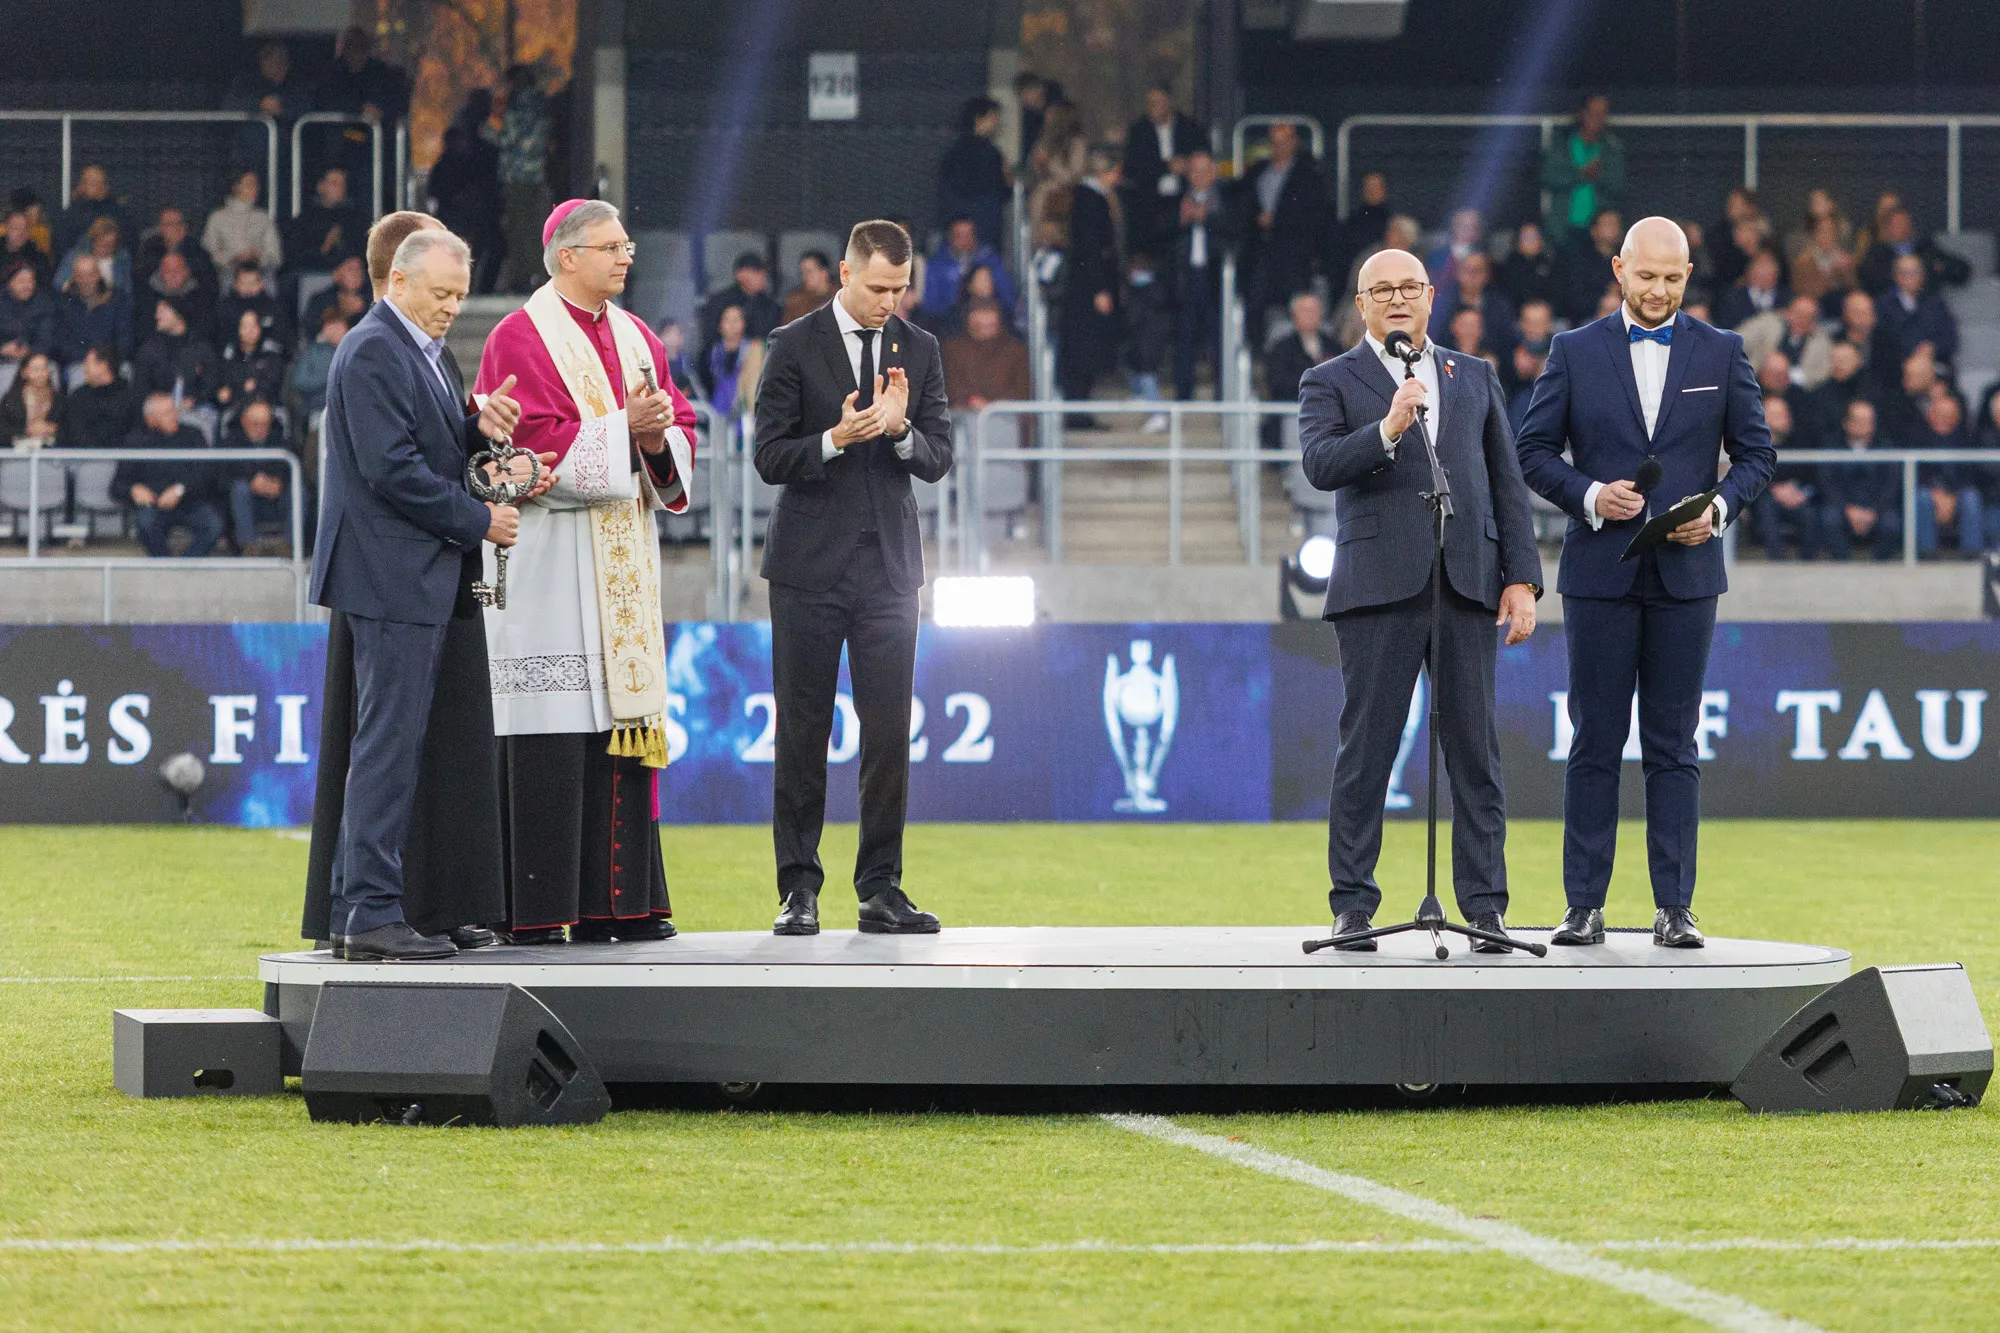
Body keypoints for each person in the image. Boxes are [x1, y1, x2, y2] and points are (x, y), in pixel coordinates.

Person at [1515, 217, 1776, 949]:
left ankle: (1675, 908)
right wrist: (1592, 495)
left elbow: (1757, 455)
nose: (1658, 290)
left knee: (1674, 742)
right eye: (1646, 275)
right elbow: (1532, 450)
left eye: (1672, 278)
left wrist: (1719, 507)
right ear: (1619, 268)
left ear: (1687, 276)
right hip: (1600, 575)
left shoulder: (1723, 352)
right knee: (1594, 739)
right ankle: (1584, 905)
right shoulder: (1573, 350)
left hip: (1689, 577)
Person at [1298, 247, 1543, 950]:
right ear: (1363, 301)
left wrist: (1521, 580)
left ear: (1432, 296)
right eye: (1383, 289)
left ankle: (1486, 907)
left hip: (1467, 581)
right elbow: (1320, 463)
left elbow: (1506, 484)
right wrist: (1388, 429)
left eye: (1410, 287)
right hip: (1378, 587)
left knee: (1475, 752)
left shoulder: (1474, 376)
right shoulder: (1330, 379)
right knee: (1367, 751)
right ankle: (1352, 904)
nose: (1398, 299)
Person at [474, 198, 696, 944]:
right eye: (610, 246)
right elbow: (525, 445)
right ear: (567, 256)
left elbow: (677, 424)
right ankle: (538, 911)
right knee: (552, 733)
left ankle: (619, 903)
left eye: (628, 244)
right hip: (551, 563)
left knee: (616, 727)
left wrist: (658, 437)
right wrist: (624, 431)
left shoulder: (637, 338)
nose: (626, 257)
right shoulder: (519, 335)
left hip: (623, 557)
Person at [301, 208, 523, 955]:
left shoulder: (423, 352)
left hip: (410, 575)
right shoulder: (371, 352)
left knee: (395, 747)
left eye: (460, 295)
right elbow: (389, 469)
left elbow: (422, 442)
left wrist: (475, 429)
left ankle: (361, 907)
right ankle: (369, 913)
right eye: (441, 294)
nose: (453, 308)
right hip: (391, 574)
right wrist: (477, 519)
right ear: (398, 278)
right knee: (387, 748)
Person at [752, 218, 953, 938]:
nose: (888, 302)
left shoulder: (920, 349)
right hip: (807, 571)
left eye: (900, 289)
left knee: (889, 735)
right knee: (803, 731)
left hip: (891, 574)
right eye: (877, 288)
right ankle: (798, 887)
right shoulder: (792, 345)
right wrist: (837, 438)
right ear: (844, 273)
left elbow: (938, 457)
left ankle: (880, 888)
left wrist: (898, 431)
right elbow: (769, 456)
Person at [1240, 122, 1334, 325]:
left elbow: (1315, 216)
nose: (1279, 148)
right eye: (1274, 143)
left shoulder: (1308, 175)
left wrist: (1278, 220)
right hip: (1261, 251)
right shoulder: (1259, 172)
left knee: (1295, 306)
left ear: (1293, 143)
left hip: (1294, 253)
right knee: (1255, 305)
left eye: (1283, 143)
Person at [1056, 145, 1123, 425]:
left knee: (1084, 350)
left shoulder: (1087, 199)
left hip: (1085, 287)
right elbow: (1091, 249)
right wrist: (1100, 288)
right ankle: (1078, 412)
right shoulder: (1091, 201)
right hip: (1088, 290)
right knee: (1084, 350)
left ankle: (1080, 409)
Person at [116, 391, 227, 557]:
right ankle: (164, 563)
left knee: (214, 524)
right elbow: (117, 485)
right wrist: (134, 489)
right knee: (145, 522)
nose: (174, 415)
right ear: (150, 419)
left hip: (190, 502)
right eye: (167, 413)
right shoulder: (136, 441)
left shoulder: (193, 435)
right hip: (154, 505)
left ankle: (183, 566)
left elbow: (206, 473)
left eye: (174, 410)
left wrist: (179, 490)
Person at [1171, 148, 1231, 402]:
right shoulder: (1176, 198)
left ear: (1214, 174)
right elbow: (1161, 233)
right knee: (1184, 338)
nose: (1199, 176)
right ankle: (1184, 395)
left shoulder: (1224, 199)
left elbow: (1233, 234)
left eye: (1205, 171)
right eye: (1194, 171)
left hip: (1213, 277)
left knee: (1218, 338)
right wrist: (1181, 219)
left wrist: (1206, 219)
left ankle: (1222, 396)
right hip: (1185, 278)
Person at [429, 92, 505, 292]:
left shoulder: (485, 152)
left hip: (480, 212)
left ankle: (479, 288)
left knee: (493, 246)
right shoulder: (452, 162)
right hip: (460, 215)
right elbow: (437, 190)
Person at [1120, 84, 1205, 255]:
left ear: (1169, 103)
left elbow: (1203, 157)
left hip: (1182, 199)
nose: (1153, 108)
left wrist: (1188, 166)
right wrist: (1166, 166)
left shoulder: (1189, 128)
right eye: (1150, 103)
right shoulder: (1139, 131)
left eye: (1157, 103)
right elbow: (1133, 168)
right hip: (1151, 203)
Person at [1817, 398, 1902, 562]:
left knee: (1892, 523)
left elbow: (1892, 484)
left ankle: (1879, 568)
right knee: (1829, 519)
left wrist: (1874, 510)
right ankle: (1844, 565)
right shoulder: (1832, 447)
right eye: (1858, 420)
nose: (1864, 425)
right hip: (1843, 506)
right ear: (1846, 423)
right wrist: (1848, 509)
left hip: (1877, 506)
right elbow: (1827, 483)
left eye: (1868, 421)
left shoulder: (1886, 448)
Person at [1541, 94, 1625, 250]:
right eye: (1593, 113)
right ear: (1581, 113)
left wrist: (1600, 175)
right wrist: (1580, 175)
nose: (1597, 118)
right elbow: (1547, 177)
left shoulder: (1612, 147)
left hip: (1599, 233)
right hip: (1564, 229)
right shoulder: (1562, 143)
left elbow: (1619, 185)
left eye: (1602, 114)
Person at [1748, 396, 1829, 560]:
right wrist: (1774, 490)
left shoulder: (1801, 442)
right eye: (1777, 415)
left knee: (1811, 515)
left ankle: (1807, 563)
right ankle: (1776, 562)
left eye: (1785, 415)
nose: (1785, 419)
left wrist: (1801, 493)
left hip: (1797, 497)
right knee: (1766, 508)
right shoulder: (1750, 445)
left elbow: (1814, 475)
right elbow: (1748, 478)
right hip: (1763, 499)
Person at [1912, 391, 1988, 558]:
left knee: (1971, 497)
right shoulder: (1917, 439)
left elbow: (1972, 474)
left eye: (1949, 415)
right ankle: (1927, 552)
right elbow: (1915, 474)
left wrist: (1952, 496)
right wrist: (1938, 495)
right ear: (1930, 415)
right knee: (1922, 497)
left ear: (1957, 417)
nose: (1944, 419)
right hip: (1930, 492)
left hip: (1958, 492)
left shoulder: (1968, 440)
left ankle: (1972, 553)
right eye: (1939, 414)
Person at [497, 64, 552, 293]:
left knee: (520, 225)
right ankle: (536, 272)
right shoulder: (541, 104)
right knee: (534, 221)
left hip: (517, 173)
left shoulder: (517, 106)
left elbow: (507, 137)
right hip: (536, 171)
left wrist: (489, 128)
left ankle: (528, 273)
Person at [222, 398, 301, 555]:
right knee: (240, 489)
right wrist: (251, 481)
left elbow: (291, 470)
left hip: (276, 502)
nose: (259, 428)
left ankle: (291, 545)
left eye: (264, 423)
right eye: (254, 423)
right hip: (244, 505)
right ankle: (248, 547)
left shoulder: (282, 442)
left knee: (299, 490)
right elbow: (221, 479)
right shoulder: (230, 443)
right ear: (244, 421)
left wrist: (278, 483)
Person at [936, 95, 1011, 249]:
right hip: (985, 225)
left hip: (955, 224)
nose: (997, 121)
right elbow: (1001, 190)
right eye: (992, 116)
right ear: (979, 118)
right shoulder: (990, 153)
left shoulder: (953, 152)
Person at [1856, 206, 1970, 297]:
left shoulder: (1925, 247)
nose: (1905, 228)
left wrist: (1940, 267)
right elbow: (1871, 279)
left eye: (1907, 223)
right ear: (1887, 228)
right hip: (1890, 309)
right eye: (1899, 224)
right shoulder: (1877, 253)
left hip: (1927, 305)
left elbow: (1961, 270)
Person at [942, 298, 1030, 412]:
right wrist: (970, 400)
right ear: (969, 319)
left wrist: (993, 405)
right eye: (980, 312)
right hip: (965, 415)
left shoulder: (1016, 351)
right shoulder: (952, 350)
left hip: (1007, 416)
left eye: (990, 312)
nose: (986, 320)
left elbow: (1022, 391)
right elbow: (951, 388)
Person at [922, 218, 1016, 324]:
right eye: (959, 236)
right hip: (949, 323)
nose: (964, 241)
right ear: (949, 237)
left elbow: (1008, 299)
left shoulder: (991, 260)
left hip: (990, 322)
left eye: (968, 235)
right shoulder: (936, 264)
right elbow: (930, 305)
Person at [1875, 253, 1959, 366]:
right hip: (1894, 367)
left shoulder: (1936, 304)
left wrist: (1933, 348)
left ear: (1922, 276)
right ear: (1895, 276)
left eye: (1914, 273)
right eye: (1903, 273)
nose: (1909, 278)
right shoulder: (1882, 305)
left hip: (1932, 364)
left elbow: (1950, 338)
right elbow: (1880, 342)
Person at [1428, 251, 1517, 356]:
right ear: (1458, 273)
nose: (1472, 276)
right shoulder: (1443, 302)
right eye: (1467, 270)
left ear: (1487, 274)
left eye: (1478, 270)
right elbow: (1434, 338)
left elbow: (1507, 341)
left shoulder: (1499, 306)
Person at [132, 297, 216, 404]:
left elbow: (210, 383)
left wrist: (195, 400)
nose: (157, 316)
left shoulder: (201, 347)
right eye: (157, 311)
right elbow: (140, 387)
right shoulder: (150, 348)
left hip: (194, 408)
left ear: (178, 313)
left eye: (162, 311)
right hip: (159, 409)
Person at [55, 254, 132, 372]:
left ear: (99, 275)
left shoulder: (118, 300)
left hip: (112, 362)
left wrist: (105, 361)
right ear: (73, 277)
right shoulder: (64, 303)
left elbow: (124, 338)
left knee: (126, 370)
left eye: (90, 275)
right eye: (80, 276)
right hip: (79, 363)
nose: (85, 281)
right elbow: (62, 343)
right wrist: (90, 361)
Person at [203, 171, 284, 280]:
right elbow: (208, 252)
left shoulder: (263, 218)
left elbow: (275, 256)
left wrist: (257, 258)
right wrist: (233, 258)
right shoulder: (217, 218)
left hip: (259, 273)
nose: (255, 188)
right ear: (236, 187)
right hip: (226, 273)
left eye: (256, 185)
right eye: (250, 184)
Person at [58, 344, 139, 449]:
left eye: (88, 363)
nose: (84, 367)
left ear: (103, 366)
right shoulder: (78, 397)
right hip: (82, 459)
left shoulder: (129, 397)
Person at [1328, 171, 1391, 301]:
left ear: (1384, 190)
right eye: (1369, 188)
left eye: (1376, 187)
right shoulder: (1351, 224)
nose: (1372, 191)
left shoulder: (1393, 224)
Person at [1263, 290, 1330, 408]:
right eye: (1305, 311)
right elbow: (1277, 383)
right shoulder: (1282, 348)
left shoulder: (1333, 345)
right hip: (1294, 410)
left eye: (1314, 310)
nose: (1310, 315)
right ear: (1294, 315)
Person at [216, 308, 289, 416]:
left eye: (253, 326)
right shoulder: (230, 353)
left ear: (259, 328)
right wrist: (241, 388)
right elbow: (225, 386)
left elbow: (272, 384)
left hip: (268, 407)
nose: (249, 331)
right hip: (236, 407)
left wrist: (243, 389)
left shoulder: (271, 352)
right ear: (238, 329)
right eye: (245, 326)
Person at [289, 169, 363, 273]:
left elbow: (362, 253)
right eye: (334, 183)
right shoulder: (305, 220)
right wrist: (326, 247)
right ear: (321, 187)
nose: (341, 187)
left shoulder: (356, 219)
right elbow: (296, 257)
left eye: (343, 183)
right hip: (317, 275)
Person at [1556, 207, 1623, 324]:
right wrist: (1605, 294)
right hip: (1588, 321)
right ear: (1594, 231)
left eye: (1615, 224)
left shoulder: (1628, 259)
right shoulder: (1580, 261)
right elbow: (1574, 300)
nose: (1613, 229)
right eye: (1607, 224)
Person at [52, 165, 131, 259]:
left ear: (106, 186)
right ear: (80, 185)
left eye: (97, 182)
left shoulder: (119, 214)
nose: (89, 186)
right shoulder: (68, 215)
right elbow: (60, 247)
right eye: (88, 182)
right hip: (78, 266)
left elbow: (128, 246)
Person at [147, 253, 217, 354]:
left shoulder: (201, 298)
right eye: (167, 270)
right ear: (160, 273)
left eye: (178, 269)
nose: (173, 274)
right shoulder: (148, 298)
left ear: (186, 272)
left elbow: (206, 331)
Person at [216, 261, 287, 349]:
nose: (248, 287)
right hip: (235, 354)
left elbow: (282, 334)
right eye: (244, 283)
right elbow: (220, 335)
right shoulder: (225, 307)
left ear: (261, 284)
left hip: (266, 354)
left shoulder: (272, 306)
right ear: (235, 285)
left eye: (253, 283)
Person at [1714, 249, 1789, 330]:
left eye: (1769, 266)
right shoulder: (1732, 298)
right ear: (1749, 272)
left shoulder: (1788, 299)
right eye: (1761, 266)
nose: (1765, 271)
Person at [0, 351, 64, 445]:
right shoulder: (12, 399)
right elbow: (3, 430)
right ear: (24, 372)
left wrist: (53, 428)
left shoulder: (59, 400)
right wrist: (26, 430)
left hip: (51, 452)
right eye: (35, 369)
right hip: (17, 452)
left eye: (44, 368)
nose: (41, 374)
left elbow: (69, 426)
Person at [0, 262, 57, 364]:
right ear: (10, 283)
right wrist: (2, 349)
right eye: (21, 281)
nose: (27, 286)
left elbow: (47, 339)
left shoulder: (43, 304)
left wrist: (29, 351)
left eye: (30, 281)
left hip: (33, 359)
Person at [1497, 221, 1558, 310]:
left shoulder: (1548, 262)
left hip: (1545, 313)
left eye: (1534, 236)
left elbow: (1555, 294)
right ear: (1518, 242)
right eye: (1527, 237)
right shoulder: (1510, 265)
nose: (1531, 241)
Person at [303, 254, 371, 334]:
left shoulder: (372, 297)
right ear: (337, 274)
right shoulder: (322, 298)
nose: (356, 273)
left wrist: (362, 308)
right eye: (350, 269)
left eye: (359, 269)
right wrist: (341, 311)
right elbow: (310, 328)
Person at [782, 249, 835, 324]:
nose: (805, 276)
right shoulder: (796, 301)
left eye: (809, 271)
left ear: (824, 273)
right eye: (803, 272)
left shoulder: (841, 298)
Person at [3, 208, 52, 286]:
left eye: (25, 228)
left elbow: (44, 287)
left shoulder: (38, 257)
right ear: (6, 229)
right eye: (16, 228)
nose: (21, 233)